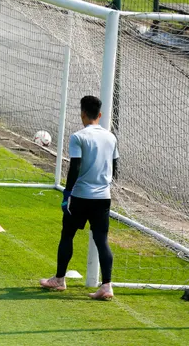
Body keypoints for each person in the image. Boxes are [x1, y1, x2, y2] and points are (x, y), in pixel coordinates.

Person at [40, 95, 119, 300]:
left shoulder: (78, 137)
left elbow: (74, 166)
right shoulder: (111, 137)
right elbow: (116, 169)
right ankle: (107, 285)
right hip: (103, 196)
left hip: (81, 195)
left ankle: (59, 279)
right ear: (99, 115)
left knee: (67, 234)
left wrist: (67, 193)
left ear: (82, 113)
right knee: (102, 239)